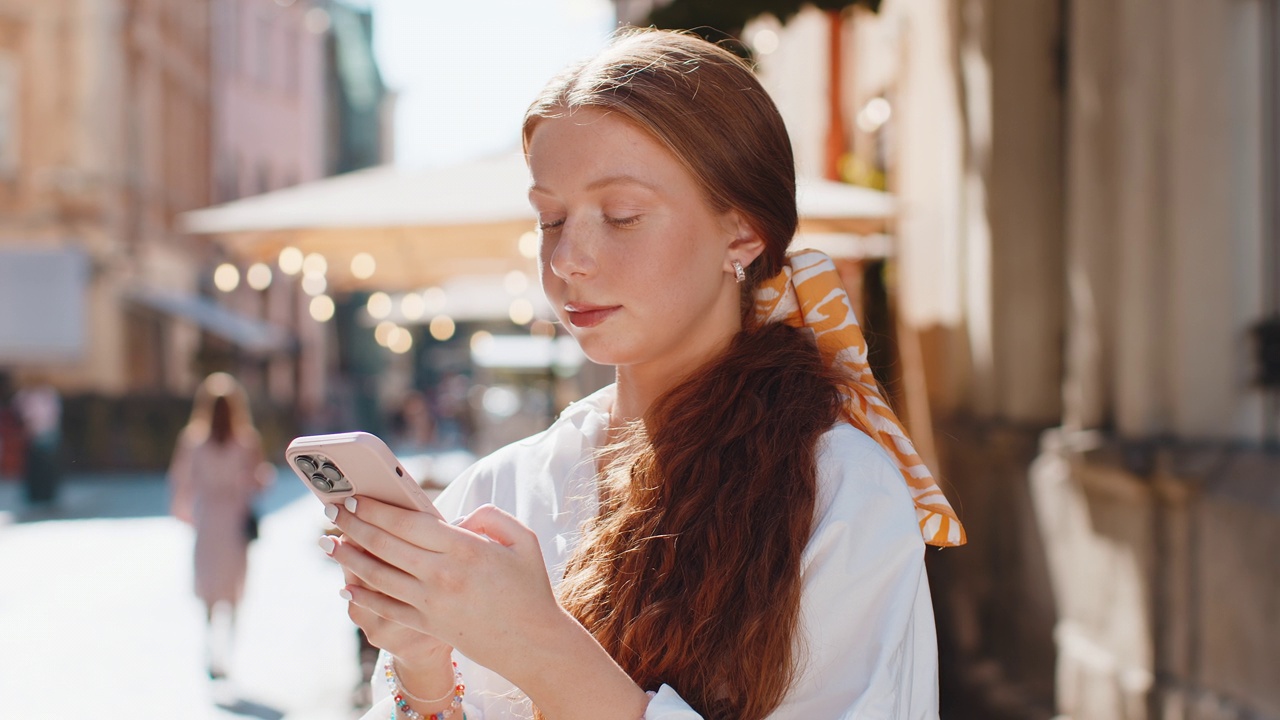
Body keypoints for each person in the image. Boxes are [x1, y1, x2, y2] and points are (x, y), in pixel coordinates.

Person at [321, 29, 965, 720]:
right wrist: (420, 663)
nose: (568, 257)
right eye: (551, 218)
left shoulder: (843, 493)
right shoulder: (499, 489)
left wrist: (540, 648)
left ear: (742, 232)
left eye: (622, 216)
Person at [168, 372, 273, 680]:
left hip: (209, 521)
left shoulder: (193, 441)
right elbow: (260, 481)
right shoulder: (246, 441)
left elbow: (180, 483)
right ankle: (226, 652)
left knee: (210, 589)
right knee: (233, 589)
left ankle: (211, 648)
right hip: (234, 520)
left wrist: (185, 514)